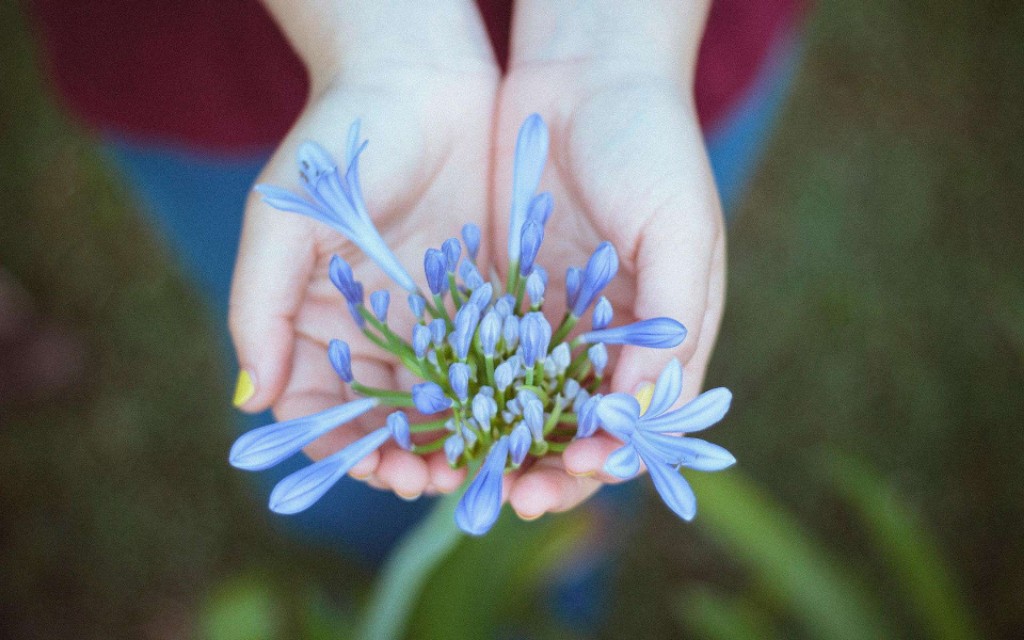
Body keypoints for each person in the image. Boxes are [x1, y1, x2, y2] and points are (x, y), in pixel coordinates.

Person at [27, 0, 805, 560]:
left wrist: (621, 54)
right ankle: (374, 578)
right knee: (339, 450)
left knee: (596, 452)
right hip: (232, 55)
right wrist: (381, 43)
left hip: (656, 38)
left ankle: (550, 586)